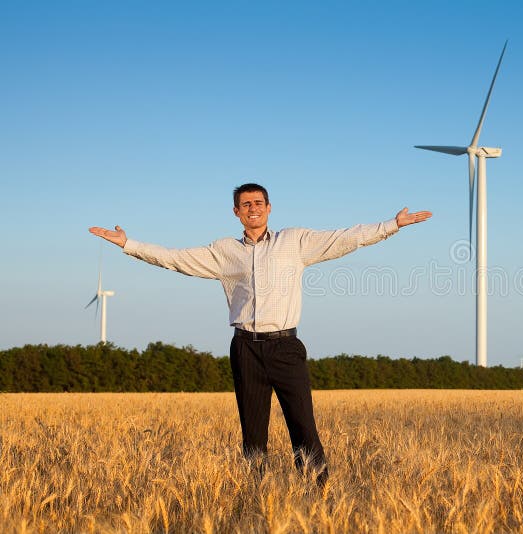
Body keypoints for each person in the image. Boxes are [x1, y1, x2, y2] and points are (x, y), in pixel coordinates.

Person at [89, 183, 432, 484]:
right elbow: (175, 259)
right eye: (246, 205)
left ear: (269, 208)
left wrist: (392, 225)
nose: (253, 209)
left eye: (258, 203)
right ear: (236, 212)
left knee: (303, 426)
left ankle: (320, 493)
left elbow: (344, 239)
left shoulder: (294, 241)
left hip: (286, 347)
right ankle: (257, 491)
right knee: (253, 432)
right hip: (245, 348)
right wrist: (128, 244)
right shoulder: (224, 251)